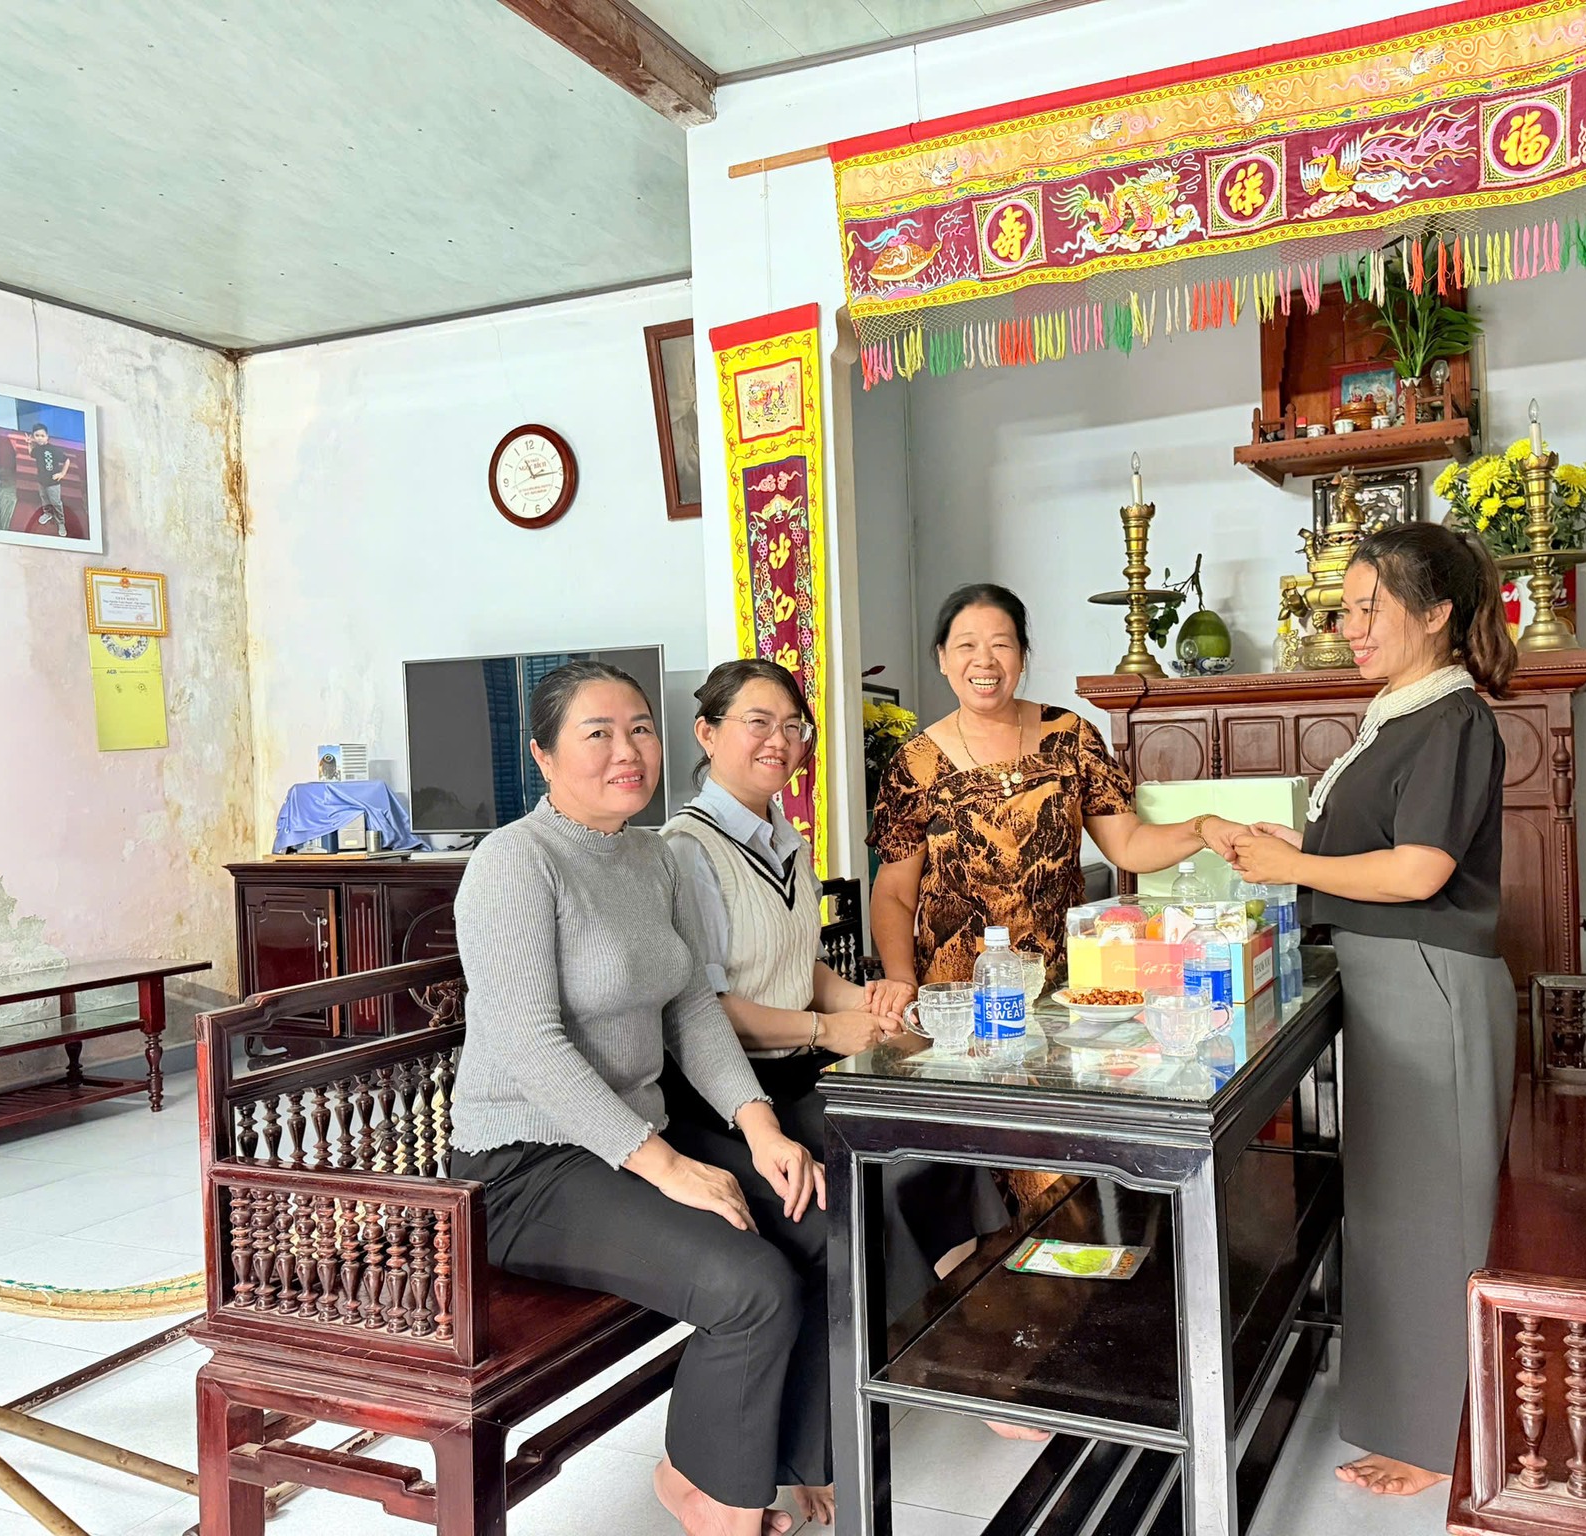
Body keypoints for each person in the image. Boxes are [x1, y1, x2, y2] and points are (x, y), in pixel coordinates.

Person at [448, 658, 828, 1536]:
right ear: (543, 755)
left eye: (641, 730)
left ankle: (798, 1460)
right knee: (751, 1283)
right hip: (527, 1167)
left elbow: (692, 1007)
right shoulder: (513, 863)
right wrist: (668, 1168)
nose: (628, 751)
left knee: (824, 1225)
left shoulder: (652, 857)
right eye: (599, 734)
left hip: (632, 1143)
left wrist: (760, 1129)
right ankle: (706, 1487)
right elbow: (531, 1047)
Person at [1227, 522, 1519, 1498]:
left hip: (1427, 979)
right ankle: (1414, 1414)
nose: (1348, 627)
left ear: (1435, 614)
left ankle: (1442, 1438)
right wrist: (1286, 847)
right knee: (1395, 1208)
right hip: (1390, 976)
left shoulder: (1454, 719)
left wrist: (1294, 865)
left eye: (1369, 609)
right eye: (1343, 610)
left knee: (1435, 1212)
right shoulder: (1398, 715)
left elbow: (1419, 869)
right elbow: (1370, 848)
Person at [661, 658, 1010, 1347]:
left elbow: (800, 966)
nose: (780, 741)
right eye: (758, 722)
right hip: (727, 1096)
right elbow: (703, 1009)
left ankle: (972, 1333)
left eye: (793, 727)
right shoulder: (687, 851)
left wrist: (871, 1006)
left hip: (799, 1071)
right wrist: (827, 1028)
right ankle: (919, 1355)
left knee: (942, 1137)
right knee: (882, 1173)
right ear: (707, 733)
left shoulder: (785, 839)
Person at [869, 583, 1246, 996]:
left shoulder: (1069, 736)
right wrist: (901, 981)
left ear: (1022, 656)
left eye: (1001, 644)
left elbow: (1128, 844)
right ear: (943, 658)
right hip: (958, 997)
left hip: (1064, 990)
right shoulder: (916, 763)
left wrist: (1203, 828)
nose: (985, 660)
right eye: (966, 645)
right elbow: (895, 894)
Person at [27, 423, 74, 537]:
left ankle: (61, 522)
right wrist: (29, 444)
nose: (39, 438)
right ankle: (48, 513)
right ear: (34, 436)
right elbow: (31, 454)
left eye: (42, 436)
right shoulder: (37, 449)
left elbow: (67, 460)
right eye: (37, 435)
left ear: (47, 437)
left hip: (53, 483)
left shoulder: (54, 450)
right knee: (44, 499)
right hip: (41, 481)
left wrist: (62, 473)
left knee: (56, 503)